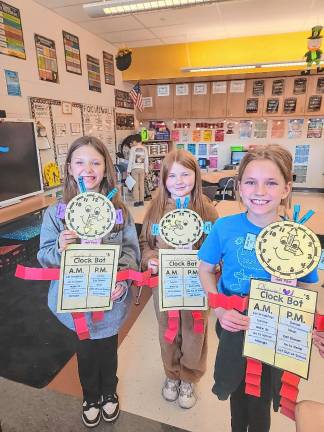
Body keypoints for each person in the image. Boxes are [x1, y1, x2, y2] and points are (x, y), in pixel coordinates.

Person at [198, 144, 318, 432]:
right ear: (239, 186)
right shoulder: (224, 228)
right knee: (236, 389)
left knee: (264, 394)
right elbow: (204, 269)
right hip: (232, 321)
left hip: (274, 327)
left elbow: (307, 288)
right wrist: (219, 308)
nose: (260, 191)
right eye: (251, 182)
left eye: (271, 182)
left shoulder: (298, 238)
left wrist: (306, 325)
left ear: (286, 188)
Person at [37, 136, 140, 428]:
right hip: (74, 305)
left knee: (108, 350)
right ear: (69, 168)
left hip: (108, 301)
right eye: (80, 162)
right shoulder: (57, 213)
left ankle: (109, 391)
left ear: (106, 167)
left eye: (96, 162)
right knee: (84, 351)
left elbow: (130, 251)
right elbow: (44, 257)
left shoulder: (119, 211)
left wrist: (122, 282)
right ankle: (90, 396)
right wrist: (59, 246)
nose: (88, 169)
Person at [140, 149, 218, 409]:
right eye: (172, 175)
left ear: (196, 176)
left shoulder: (206, 209)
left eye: (185, 173)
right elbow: (145, 243)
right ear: (163, 179)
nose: (179, 180)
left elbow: (216, 247)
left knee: (195, 332)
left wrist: (213, 262)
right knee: (168, 332)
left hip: (197, 286)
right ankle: (172, 375)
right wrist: (150, 258)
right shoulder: (156, 209)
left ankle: (189, 378)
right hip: (166, 286)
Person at [127, 133, 149, 207]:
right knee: (142, 185)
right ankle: (141, 201)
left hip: (134, 169)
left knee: (135, 186)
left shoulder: (133, 149)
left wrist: (128, 170)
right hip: (142, 169)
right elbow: (146, 160)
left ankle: (136, 202)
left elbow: (130, 160)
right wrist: (146, 170)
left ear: (135, 141)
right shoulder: (144, 148)